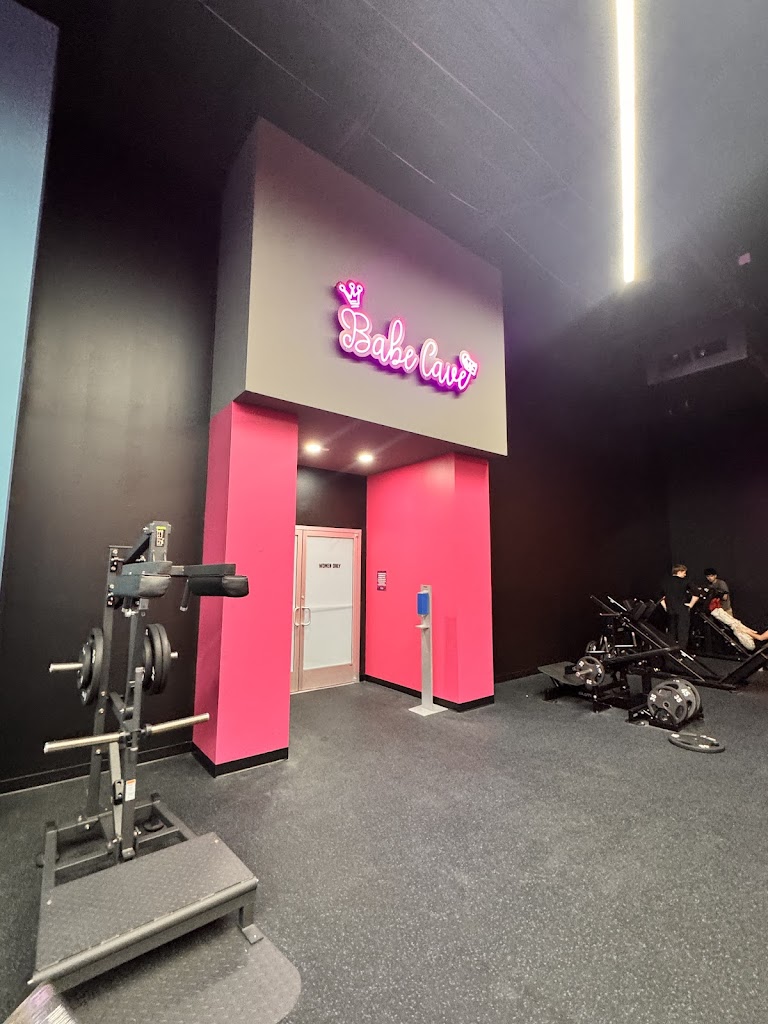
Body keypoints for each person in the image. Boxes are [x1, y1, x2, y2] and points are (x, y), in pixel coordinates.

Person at [660, 564, 699, 650]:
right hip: (682, 609)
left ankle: (671, 652)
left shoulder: (666, 582)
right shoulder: (686, 581)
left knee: (671, 632)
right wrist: (691, 605)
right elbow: (696, 593)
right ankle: (682, 650)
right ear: (679, 572)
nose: (685, 574)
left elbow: (659, 597)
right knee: (683, 632)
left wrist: (665, 607)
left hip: (670, 610)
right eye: (684, 572)